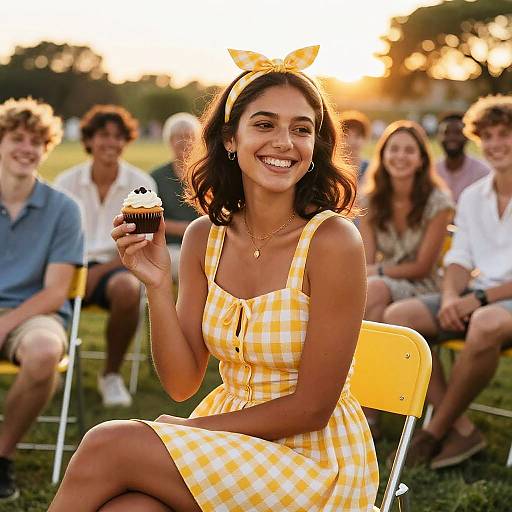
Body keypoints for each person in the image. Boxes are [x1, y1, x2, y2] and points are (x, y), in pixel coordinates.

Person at [49, 46, 378, 512]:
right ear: (230, 139)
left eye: (301, 129)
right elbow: (183, 384)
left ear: (316, 146)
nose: (284, 142)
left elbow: (312, 408)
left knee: (109, 443)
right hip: (231, 444)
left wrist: (188, 431)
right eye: (264, 124)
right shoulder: (206, 236)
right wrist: (157, 285)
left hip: (314, 461)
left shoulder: (332, 242)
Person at [383, 95, 512, 469]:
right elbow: (459, 257)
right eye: (487, 136)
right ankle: (463, 429)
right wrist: (453, 294)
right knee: (397, 317)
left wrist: (480, 298)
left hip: (496, 304)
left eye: (505, 134)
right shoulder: (472, 197)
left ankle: (432, 433)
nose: (495, 144)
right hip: (475, 294)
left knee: (486, 323)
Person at [0, 97, 84, 502]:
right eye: (17, 138)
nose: (26, 148)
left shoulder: (64, 209)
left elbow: (55, 292)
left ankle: (1, 456)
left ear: (46, 148)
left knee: (46, 350)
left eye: (36, 141)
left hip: (36, 311)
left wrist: (4, 324)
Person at [54, 105, 156, 408]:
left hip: (118, 266)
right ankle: (50, 364)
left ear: (126, 141)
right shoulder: (65, 181)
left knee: (129, 289)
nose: (110, 142)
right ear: (89, 140)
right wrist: (77, 271)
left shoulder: (141, 185)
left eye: (117, 136)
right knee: (44, 287)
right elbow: (54, 241)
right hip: (69, 264)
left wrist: (95, 274)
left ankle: (110, 375)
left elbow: (142, 245)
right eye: (103, 135)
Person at [359, 121, 454, 438]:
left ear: (421, 159)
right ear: (383, 155)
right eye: (394, 149)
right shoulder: (370, 201)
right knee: (371, 301)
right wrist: (375, 274)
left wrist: (379, 274)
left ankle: (369, 410)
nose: (401, 156)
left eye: (409, 150)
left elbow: (423, 267)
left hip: (424, 287)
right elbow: (367, 261)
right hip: (382, 290)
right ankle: (372, 406)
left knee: (373, 291)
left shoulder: (438, 202)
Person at [150, 113, 200, 282]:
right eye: (179, 137)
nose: (184, 142)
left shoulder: (207, 176)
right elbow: (150, 219)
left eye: (189, 137)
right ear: (169, 141)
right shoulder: (156, 177)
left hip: (204, 244)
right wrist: (186, 229)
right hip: (168, 247)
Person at [436, 112, 490, 202]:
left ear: (467, 136)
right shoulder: (432, 171)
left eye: (457, 133)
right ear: (439, 137)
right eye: (446, 133)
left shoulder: (482, 172)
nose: (451, 137)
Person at [339, 110, 371, 184]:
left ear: (365, 138)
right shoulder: (332, 168)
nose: (352, 141)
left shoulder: (372, 169)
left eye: (357, 136)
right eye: (347, 136)